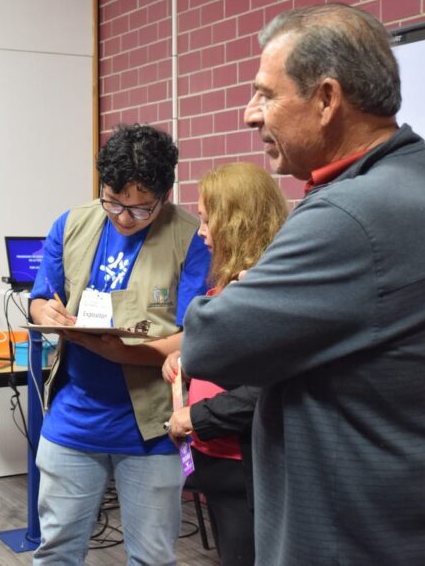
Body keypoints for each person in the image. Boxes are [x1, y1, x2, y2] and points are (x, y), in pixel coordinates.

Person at [182, 3, 425, 565]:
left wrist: (241, 295)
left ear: (327, 99)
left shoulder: (354, 214)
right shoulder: (418, 174)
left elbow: (209, 344)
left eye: (266, 94)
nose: (250, 114)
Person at [73, 162, 288, 565]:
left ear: (237, 222)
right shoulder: (230, 280)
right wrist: (187, 360)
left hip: (246, 465)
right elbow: (231, 357)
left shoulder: (267, 289)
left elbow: (264, 387)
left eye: (208, 220)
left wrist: (195, 418)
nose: (201, 231)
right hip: (219, 463)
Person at [28, 123, 211, 565]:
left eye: (140, 209)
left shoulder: (190, 237)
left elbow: (193, 336)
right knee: (55, 552)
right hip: (73, 421)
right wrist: (44, 314)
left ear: (164, 195)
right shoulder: (72, 224)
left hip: (151, 429)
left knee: (151, 557)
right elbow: (39, 298)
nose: (123, 218)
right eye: (113, 201)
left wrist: (117, 351)